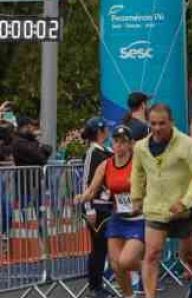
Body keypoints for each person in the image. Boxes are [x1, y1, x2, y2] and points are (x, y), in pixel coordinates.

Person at [131, 104, 192, 298]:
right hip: (155, 207)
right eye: (153, 123)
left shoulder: (190, 146)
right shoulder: (140, 147)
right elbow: (137, 172)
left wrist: (185, 202)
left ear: (171, 122)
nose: (157, 128)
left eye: (162, 123)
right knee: (152, 253)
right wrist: (137, 197)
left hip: (182, 208)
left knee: (188, 255)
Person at [76, 126, 145, 298]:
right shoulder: (106, 165)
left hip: (138, 218)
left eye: (123, 142)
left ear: (130, 144)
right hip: (118, 218)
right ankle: (129, 296)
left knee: (126, 261)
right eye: (116, 142)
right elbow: (92, 189)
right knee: (116, 265)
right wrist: (82, 198)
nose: (119, 146)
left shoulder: (139, 164)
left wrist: (142, 201)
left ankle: (149, 265)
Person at [80, 117, 113, 298]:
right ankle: (95, 287)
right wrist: (88, 208)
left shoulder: (106, 151)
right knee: (98, 248)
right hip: (96, 206)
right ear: (100, 131)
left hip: (107, 206)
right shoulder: (93, 152)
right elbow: (86, 181)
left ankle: (99, 284)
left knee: (105, 247)